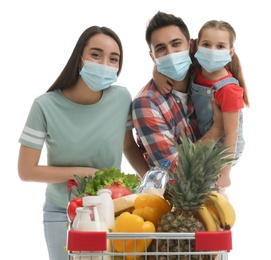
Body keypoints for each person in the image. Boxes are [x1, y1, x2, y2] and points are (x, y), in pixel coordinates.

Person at [18, 26, 149, 260]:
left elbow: (128, 146)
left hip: (111, 209)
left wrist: (153, 182)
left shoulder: (121, 99)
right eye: (96, 55)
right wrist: (83, 173)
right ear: (79, 59)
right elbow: (26, 171)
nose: (104, 64)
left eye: (113, 59)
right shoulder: (44, 106)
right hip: (62, 210)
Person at [156, 19, 249, 195]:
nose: (212, 51)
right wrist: (157, 75)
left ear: (230, 52)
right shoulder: (196, 68)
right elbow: (162, 61)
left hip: (224, 149)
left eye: (220, 46)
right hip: (206, 136)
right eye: (206, 44)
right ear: (197, 45)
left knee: (210, 190)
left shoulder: (228, 89)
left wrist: (226, 171)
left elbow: (231, 133)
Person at [132, 11, 224, 174]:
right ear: (153, 57)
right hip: (170, 198)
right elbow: (173, 167)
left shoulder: (206, 77)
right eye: (161, 49)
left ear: (190, 45)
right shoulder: (146, 104)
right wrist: (218, 129)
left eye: (176, 44)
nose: (170, 54)